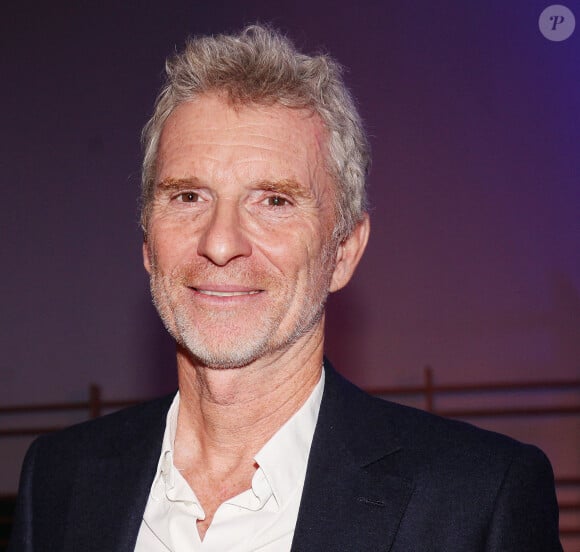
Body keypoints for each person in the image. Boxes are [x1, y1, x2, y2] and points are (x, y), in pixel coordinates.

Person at [9, 25, 562, 551]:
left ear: (343, 250)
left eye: (273, 200)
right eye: (187, 197)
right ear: (148, 243)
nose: (220, 243)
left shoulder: (478, 500)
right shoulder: (61, 481)